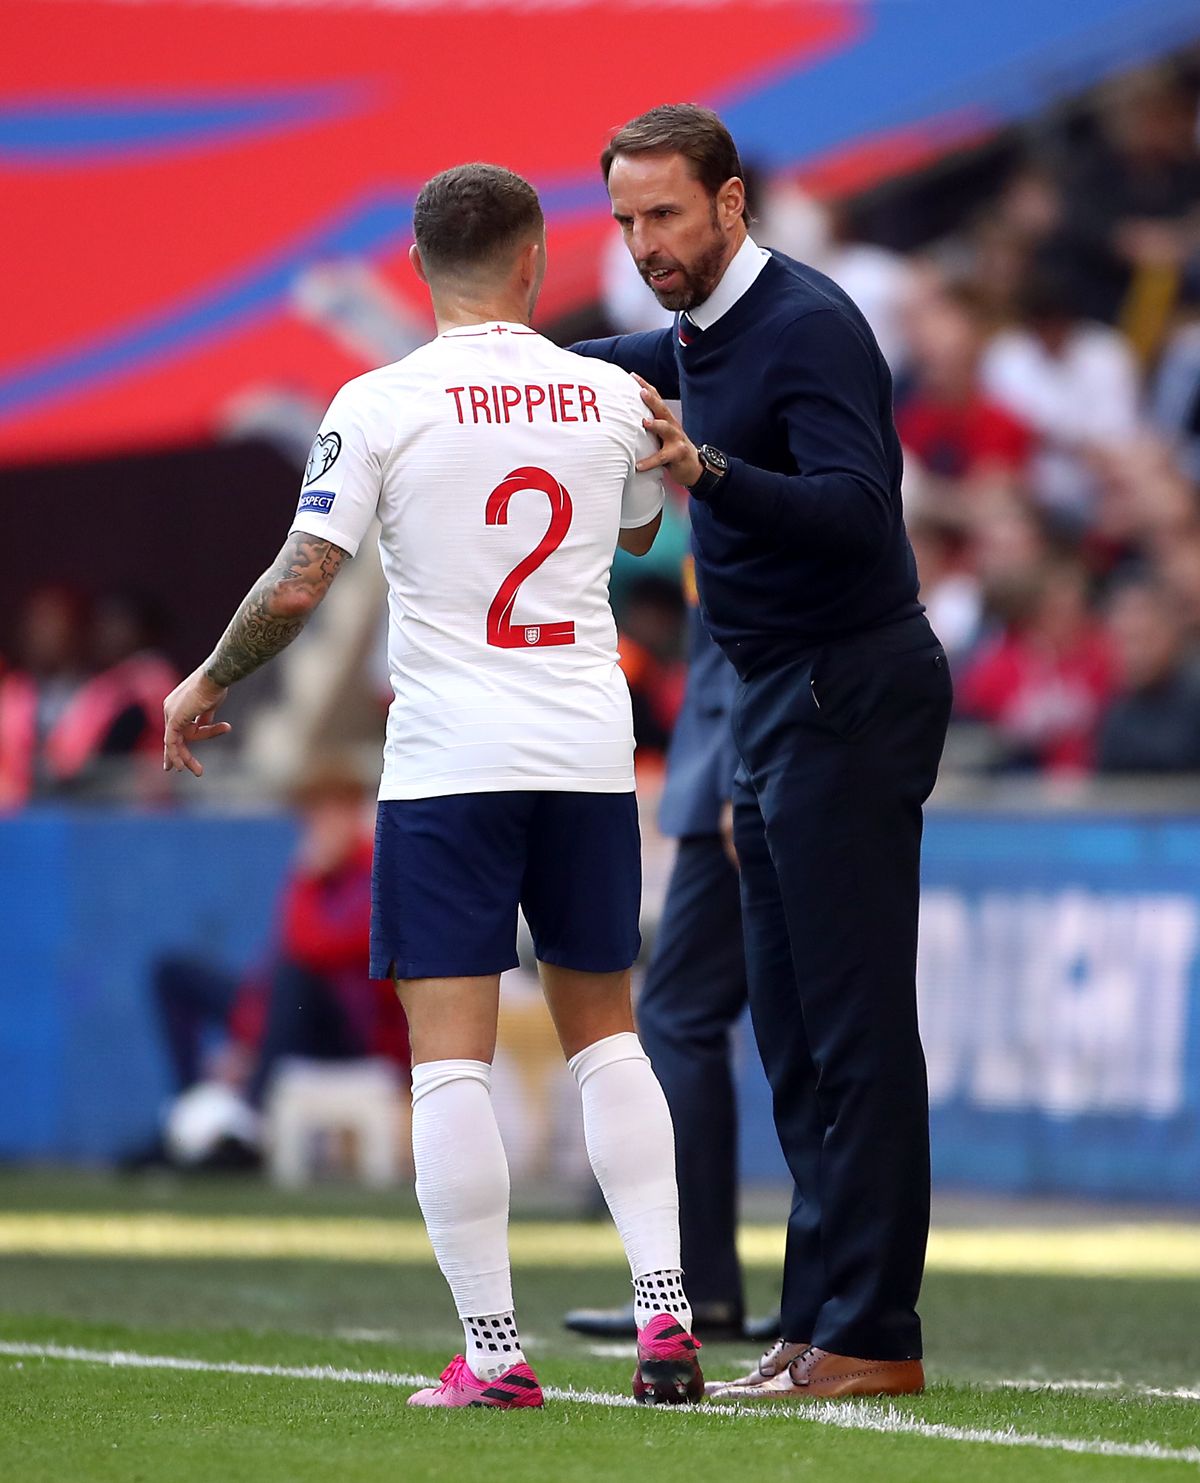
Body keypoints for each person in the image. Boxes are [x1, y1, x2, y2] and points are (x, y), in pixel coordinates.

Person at [162, 163, 703, 1410]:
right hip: (581, 751)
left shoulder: (380, 400)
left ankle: (498, 1353)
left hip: (451, 765)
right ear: (533, 263)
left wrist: (204, 680)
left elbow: (300, 580)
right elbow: (631, 537)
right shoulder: (612, 393)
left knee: (447, 1059)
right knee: (607, 1032)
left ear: (417, 268)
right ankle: (666, 1324)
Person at [572, 104, 953, 1400]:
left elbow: (859, 514)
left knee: (852, 1027)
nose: (645, 244)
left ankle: (875, 1328)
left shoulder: (805, 325)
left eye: (666, 214)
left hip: (847, 689)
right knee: (791, 1032)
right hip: (773, 704)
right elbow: (594, 356)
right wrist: (479, 360)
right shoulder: (697, 330)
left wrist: (707, 467)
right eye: (626, 220)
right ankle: (811, 1317)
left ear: (731, 204)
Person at [564, 561, 779, 1344]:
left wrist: (736, 775)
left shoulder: (734, 460)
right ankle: (806, 1289)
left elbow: (754, 630)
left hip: (740, 768)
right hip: (751, 765)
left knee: (680, 1015)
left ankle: (691, 1283)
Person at [148, 758, 407, 1156]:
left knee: (297, 973)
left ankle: (249, 1117)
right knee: (172, 972)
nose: (318, 826)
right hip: (287, 1017)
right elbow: (276, 959)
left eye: (329, 812)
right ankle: (193, 1107)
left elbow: (313, 948)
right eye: (312, 814)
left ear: (353, 811)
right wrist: (249, 1036)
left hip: (355, 1033)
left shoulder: (374, 871)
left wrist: (304, 877)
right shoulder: (319, 875)